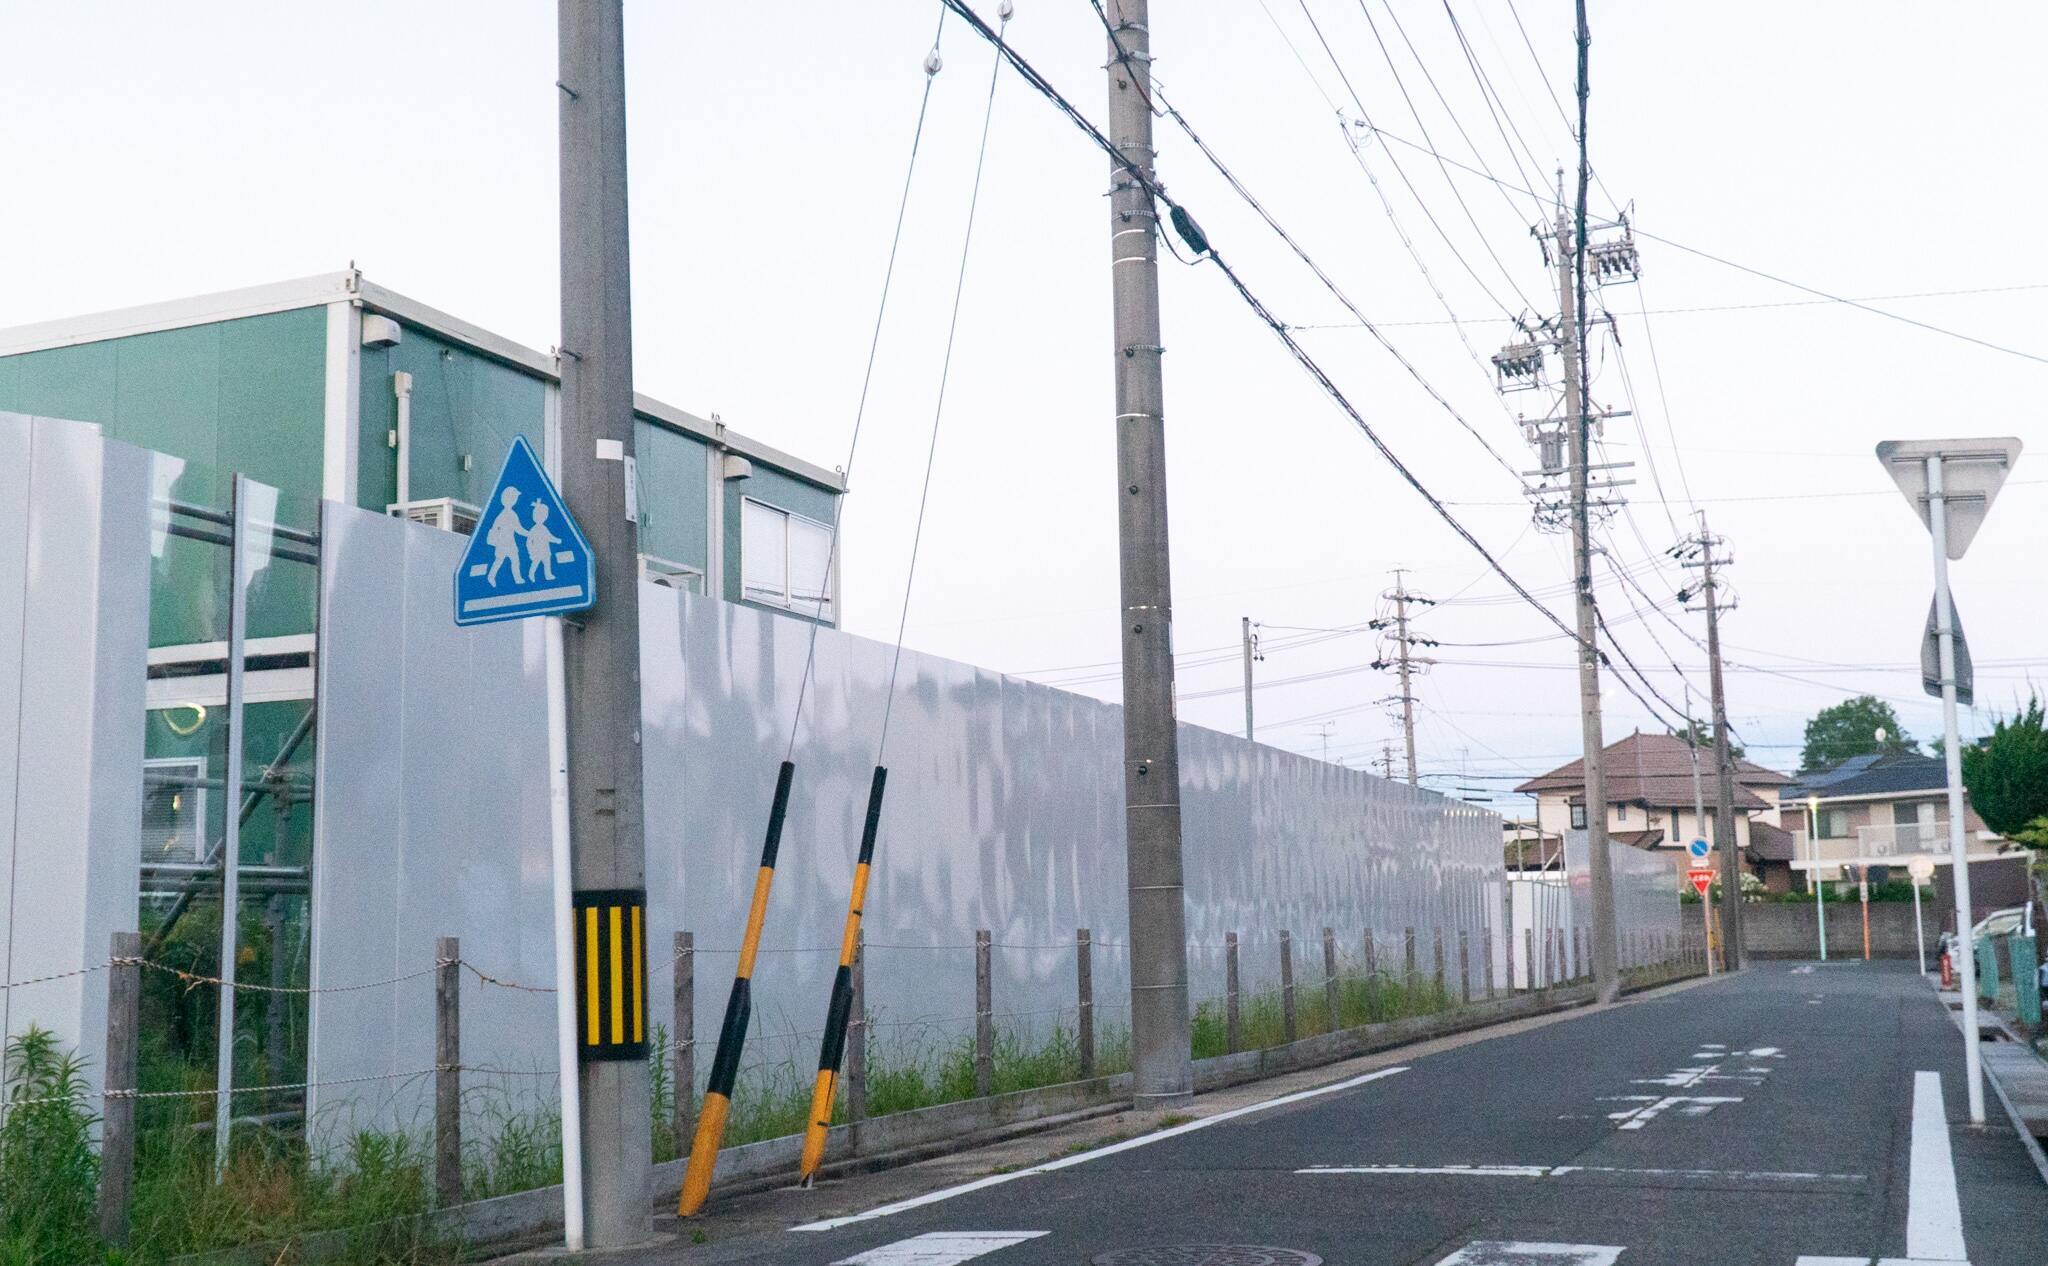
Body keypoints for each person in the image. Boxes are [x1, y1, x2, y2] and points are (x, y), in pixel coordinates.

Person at [484, 486, 526, 586]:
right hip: (504, 543)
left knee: (511, 561)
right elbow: (518, 529)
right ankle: (492, 577)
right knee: (505, 561)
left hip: (508, 543)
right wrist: (529, 534)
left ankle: (517, 579)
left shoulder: (505, 514)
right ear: (510, 499)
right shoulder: (508, 514)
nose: (516, 500)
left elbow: (517, 529)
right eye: (514, 497)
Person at [524, 500, 563, 582]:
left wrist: (556, 540)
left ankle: (548, 575)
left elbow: (549, 537)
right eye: (541, 515)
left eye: (544, 515)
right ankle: (531, 574)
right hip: (537, 551)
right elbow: (528, 542)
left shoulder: (544, 528)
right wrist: (531, 551)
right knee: (535, 563)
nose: (544, 517)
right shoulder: (533, 529)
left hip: (545, 550)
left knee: (547, 562)